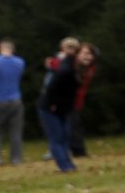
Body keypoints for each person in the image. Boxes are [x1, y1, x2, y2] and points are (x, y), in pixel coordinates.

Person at [38, 41, 90, 173]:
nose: (88, 58)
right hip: (51, 107)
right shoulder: (66, 69)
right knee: (57, 137)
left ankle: (68, 164)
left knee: (65, 136)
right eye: (85, 54)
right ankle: (64, 166)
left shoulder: (78, 68)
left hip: (64, 107)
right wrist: (53, 105)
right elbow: (51, 87)